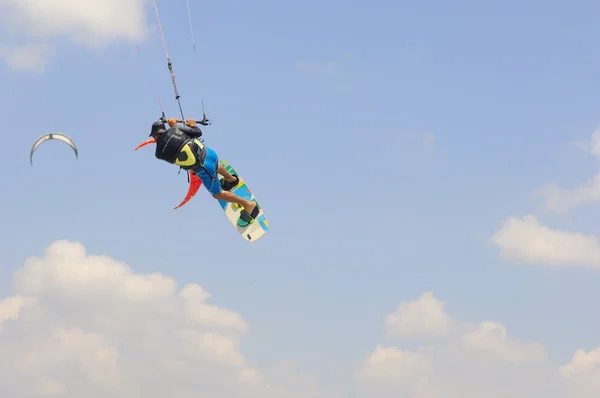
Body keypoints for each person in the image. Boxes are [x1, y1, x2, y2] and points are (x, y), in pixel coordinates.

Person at [149, 116, 259, 227]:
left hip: (204, 168)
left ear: (154, 136)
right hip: (211, 154)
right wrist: (186, 125)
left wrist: (173, 129)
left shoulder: (159, 154)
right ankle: (231, 179)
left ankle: (248, 205)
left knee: (217, 194)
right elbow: (197, 132)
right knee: (215, 164)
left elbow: (173, 150)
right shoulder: (175, 129)